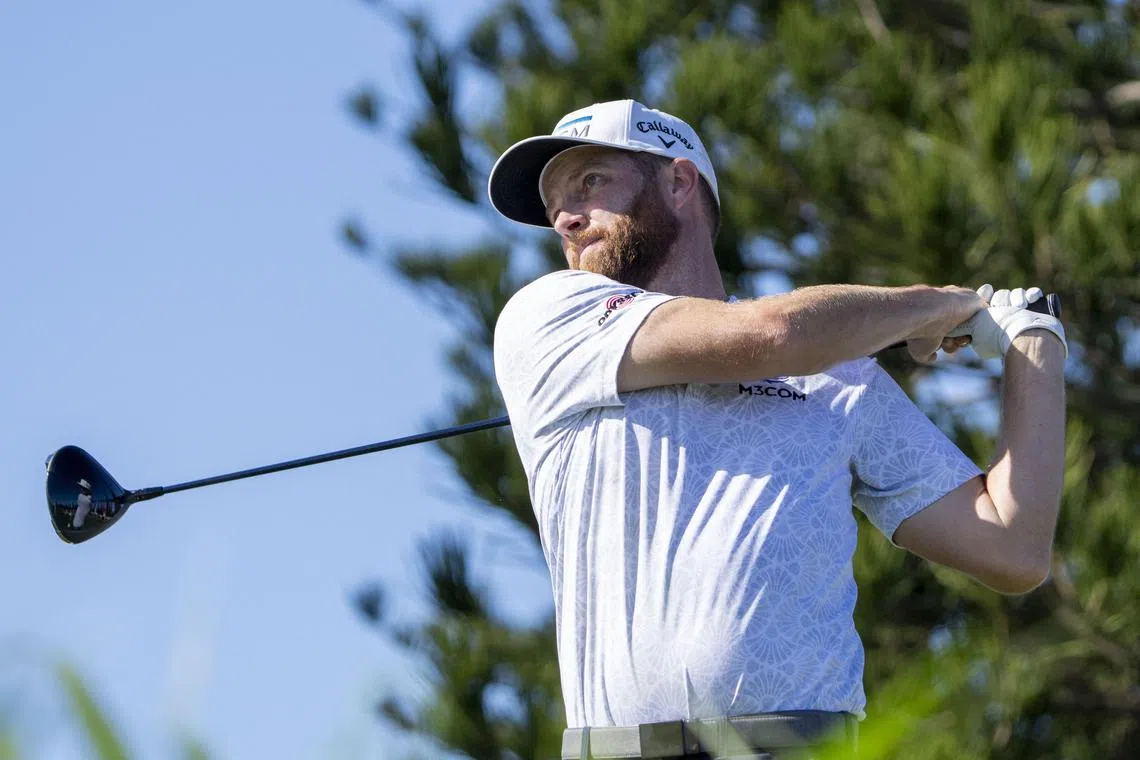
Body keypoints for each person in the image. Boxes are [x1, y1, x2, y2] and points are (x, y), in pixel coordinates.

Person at [487, 100, 1067, 759]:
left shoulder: (836, 376)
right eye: (557, 202)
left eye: (591, 182)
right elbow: (772, 334)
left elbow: (1013, 548)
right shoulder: (547, 315)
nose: (565, 216)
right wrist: (944, 305)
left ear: (678, 183)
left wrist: (1035, 343)